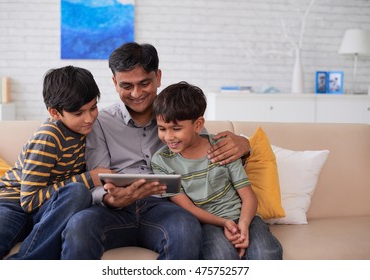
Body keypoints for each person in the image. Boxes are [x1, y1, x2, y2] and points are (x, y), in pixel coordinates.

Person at [61, 42, 251, 260]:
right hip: (113, 210)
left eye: (144, 83)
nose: (136, 93)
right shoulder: (101, 122)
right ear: (114, 83)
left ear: (158, 77)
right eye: (126, 86)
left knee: (185, 228)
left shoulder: (178, 114)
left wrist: (246, 145)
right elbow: (98, 176)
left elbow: (205, 151)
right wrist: (111, 199)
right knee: (78, 226)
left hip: (164, 207)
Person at [0, 66, 110, 259]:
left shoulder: (88, 132)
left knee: (77, 193)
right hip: (11, 201)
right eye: (78, 113)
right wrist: (89, 179)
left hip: (49, 209)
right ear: (55, 112)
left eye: (93, 108)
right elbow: (29, 200)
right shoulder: (49, 137)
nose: (89, 118)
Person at [151, 81, 283, 260]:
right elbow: (188, 207)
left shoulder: (222, 147)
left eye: (176, 129)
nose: (168, 137)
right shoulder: (161, 161)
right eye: (162, 129)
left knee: (265, 253)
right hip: (206, 224)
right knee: (222, 257)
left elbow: (248, 197)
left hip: (244, 217)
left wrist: (242, 225)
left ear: (198, 125)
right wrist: (224, 223)